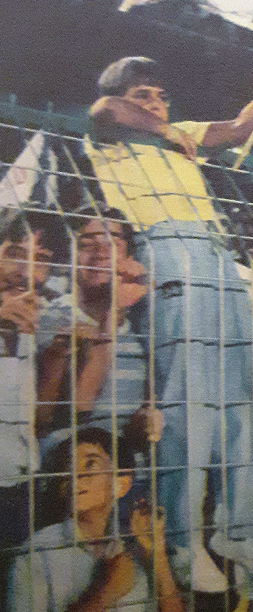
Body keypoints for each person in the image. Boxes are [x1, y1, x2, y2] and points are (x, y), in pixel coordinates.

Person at [85, 51, 253, 590]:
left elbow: (237, 129)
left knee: (246, 388)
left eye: (161, 96)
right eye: (145, 95)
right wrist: (161, 129)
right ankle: (181, 538)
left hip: (215, 251)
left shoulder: (176, 130)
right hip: (164, 243)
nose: (156, 103)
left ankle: (240, 529)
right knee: (188, 392)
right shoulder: (112, 135)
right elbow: (104, 108)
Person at [9, 427, 184, 612]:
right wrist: (104, 593)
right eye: (68, 467)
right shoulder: (37, 553)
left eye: (90, 464)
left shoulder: (134, 548)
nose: (75, 475)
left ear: (121, 484)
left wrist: (158, 557)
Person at [35, 206, 161, 454]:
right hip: (67, 468)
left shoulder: (142, 327)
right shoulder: (53, 317)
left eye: (112, 243)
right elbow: (77, 411)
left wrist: (145, 421)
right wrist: (111, 313)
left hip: (127, 474)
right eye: (86, 244)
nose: (101, 253)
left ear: (130, 258)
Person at [0, 211, 64, 604]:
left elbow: (38, 422)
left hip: (19, 491)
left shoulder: (29, 317)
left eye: (41, 258)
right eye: (16, 253)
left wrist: (57, 357)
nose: (27, 272)